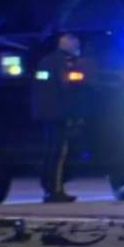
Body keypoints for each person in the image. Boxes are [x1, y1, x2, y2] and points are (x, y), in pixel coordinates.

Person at [32, 33, 81, 202]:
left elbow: (41, 88)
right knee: (59, 153)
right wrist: (74, 113)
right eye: (76, 45)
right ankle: (55, 189)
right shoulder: (64, 63)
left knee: (51, 152)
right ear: (68, 45)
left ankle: (49, 186)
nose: (77, 48)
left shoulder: (45, 61)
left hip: (47, 114)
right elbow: (67, 89)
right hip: (59, 114)